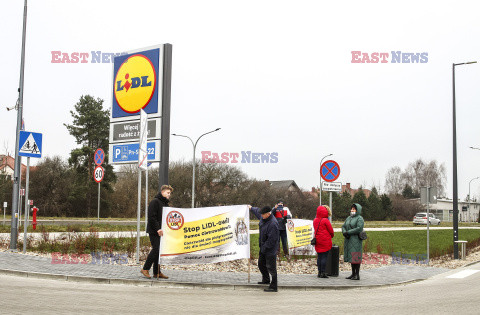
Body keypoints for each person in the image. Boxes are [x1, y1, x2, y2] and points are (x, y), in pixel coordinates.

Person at [141, 185, 173, 279]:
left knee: (159, 251)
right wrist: (157, 229)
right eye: (168, 193)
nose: (169, 195)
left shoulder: (165, 204)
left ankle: (157, 272)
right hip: (154, 231)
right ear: (162, 192)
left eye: (170, 193)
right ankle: (145, 269)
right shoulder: (155, 202)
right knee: (156, 249)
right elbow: (152, 217)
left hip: (162, 231)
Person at [248, 205, 279, 292]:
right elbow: (257, 211)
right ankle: (266, 279)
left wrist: (265, 247)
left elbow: (272, 240)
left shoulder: (273, 224)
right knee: (261, 264)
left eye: (263, 214)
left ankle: (274, 286)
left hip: (270, 249)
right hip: (263, 247)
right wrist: (250, 208)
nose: (261, 215)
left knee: (271, 268)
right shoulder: (263, 218)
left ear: (268, 214)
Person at [341, 203, 364, 280]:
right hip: (349, 240)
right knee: (352, 258)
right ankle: (353, 274)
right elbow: (343, 226)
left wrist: (348, 232)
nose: (352, 210)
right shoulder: (349, 218)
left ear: (357, 210)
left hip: (356, 240)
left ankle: (357, 275)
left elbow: (359, 228)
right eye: (351, 209)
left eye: (353, 209)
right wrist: (344, 232)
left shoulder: (359, 218)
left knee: (356, 258)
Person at [313, 205, 334, 278]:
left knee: (319, 257)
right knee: (324, 257)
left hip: (318, 240)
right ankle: (323, 272)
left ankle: (319, 272)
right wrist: (331, 235)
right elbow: (331, 231)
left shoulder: (315, 220)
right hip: (325, 241)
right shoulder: (325, 220)